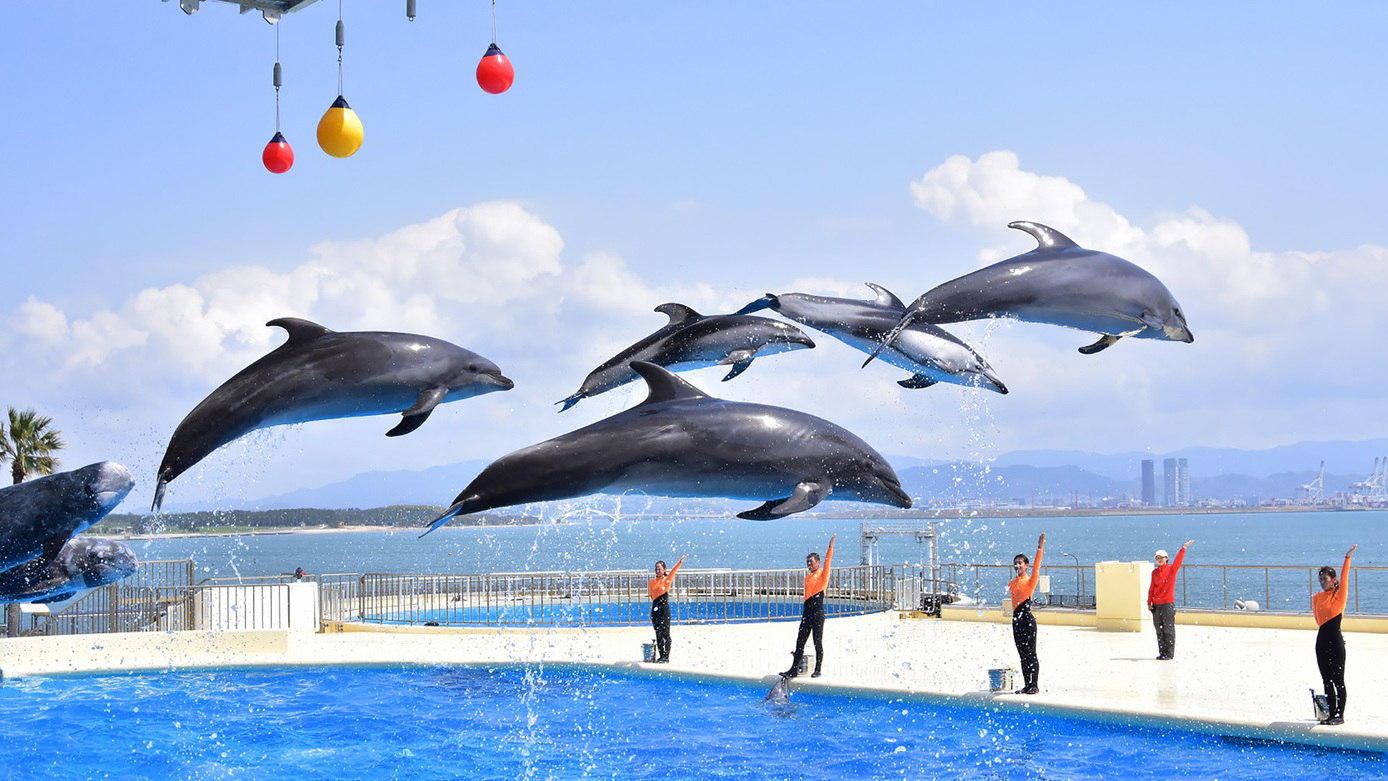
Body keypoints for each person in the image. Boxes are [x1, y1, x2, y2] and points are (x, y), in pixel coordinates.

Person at [1313, 544, 1356, 725]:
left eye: (1325, 579)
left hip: (1335, 641)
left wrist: (1347, 558)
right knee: (1326, 680)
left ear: (1333, 580)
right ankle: (1329, 713)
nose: (1322, 582)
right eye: (1320, 579)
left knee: (1339, 680)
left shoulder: (1339, 595)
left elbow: (1345, 578)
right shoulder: (1316, 597)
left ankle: (1340, 715)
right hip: (1321, 641)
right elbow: (1319, 620)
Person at [783, 534, 835, 678]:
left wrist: (830, 547)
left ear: (818, 563)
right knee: (800, 641)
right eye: (807, 562)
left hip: (817, 613)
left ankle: (817, 669)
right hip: (807, 612)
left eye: (811, 562)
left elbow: (828, 560)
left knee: (817, 641)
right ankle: (793, 669)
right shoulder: (807, 577)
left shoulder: (822, 575)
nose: (809, 564)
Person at [1008, 533, 1045, 694]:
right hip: (1016, 620)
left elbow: (1037, 565)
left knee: (1031, 653)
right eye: (1015, 563)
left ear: (1026, 566)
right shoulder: (1012, 583)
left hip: (1028, 620)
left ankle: (1034, 685)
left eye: (1020, 563)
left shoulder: (1030, 580)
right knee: (1022, 654)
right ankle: (1026, 684)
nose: (1017, 566)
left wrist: (1040, 547)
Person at [1148, 540, 1194, 660]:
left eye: (1161, 557)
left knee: (1168, 629)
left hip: (1167, 604)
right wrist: (1149, 602)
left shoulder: (1171, 570)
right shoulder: (1154, 573)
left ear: (1166, 558)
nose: (1159, 559)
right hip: (1156, 605)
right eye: (1157, 558)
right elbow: (1152, 588)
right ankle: (1162, 652)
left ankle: (1169, 653)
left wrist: (1183, 548)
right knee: (1159, 630)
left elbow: (1178, 561)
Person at [648, 554, 686, 663]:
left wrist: (680, 562)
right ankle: (661, 656)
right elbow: (651, 595)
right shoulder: (652, 582)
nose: (657, 570)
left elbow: (674, 571)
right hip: (655, 609)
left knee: (666, 633)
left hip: (664, 609)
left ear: (664, 569)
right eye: (656, 568)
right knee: (658, 633)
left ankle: (666, 656)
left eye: (659, 568)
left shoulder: (667, 580)